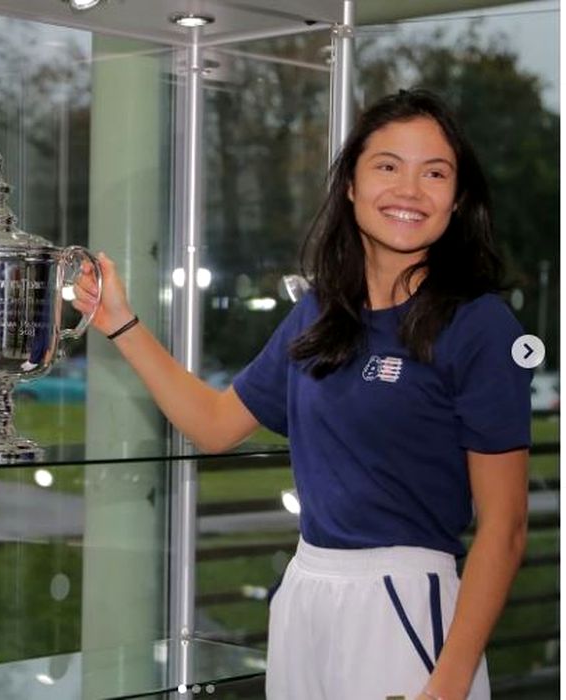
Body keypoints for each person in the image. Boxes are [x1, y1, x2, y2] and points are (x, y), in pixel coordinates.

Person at [73, 89, 531, 700]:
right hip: (305, 590)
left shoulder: (478, 325)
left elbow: (505, 525)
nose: (410, 190)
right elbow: (214, 425)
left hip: (403, 604)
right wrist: (121, 324)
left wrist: (448, 685)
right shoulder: (321, 313)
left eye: (435, 173)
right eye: (388, 166)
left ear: (458, 198)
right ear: (351, 185)